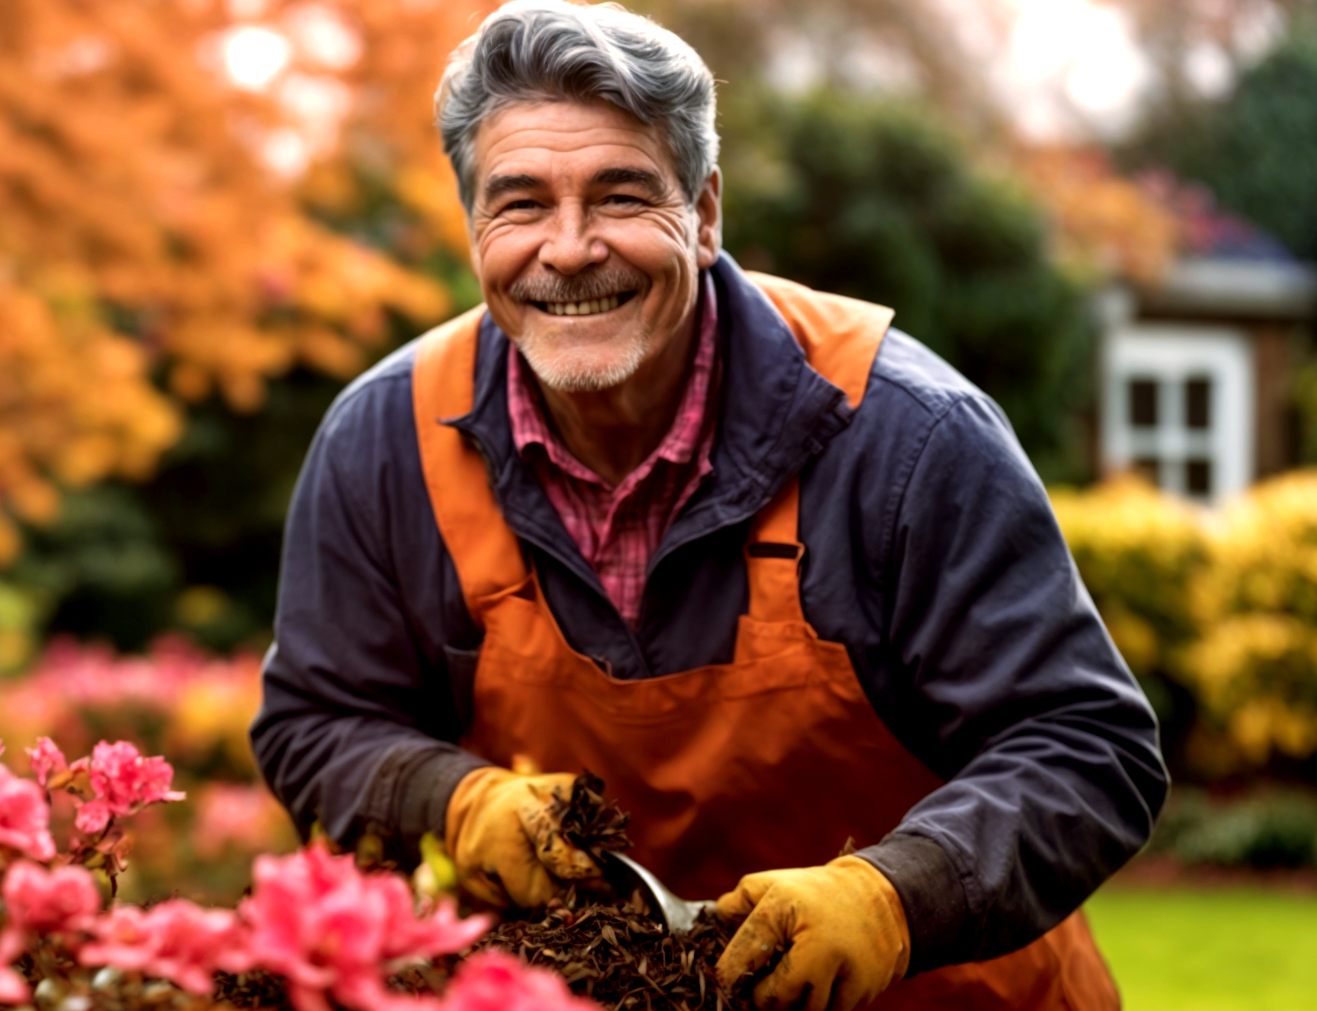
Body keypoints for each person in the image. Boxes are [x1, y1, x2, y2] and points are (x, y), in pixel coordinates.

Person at [250, 2, 1167, 1008]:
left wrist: (894, 899)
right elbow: (317, 719)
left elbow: (1086, 745)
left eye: (620, 196)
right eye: (520, 204)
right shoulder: (388, 439)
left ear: (707, 212)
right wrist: (456, 805)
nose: (568, 249)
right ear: (473, 224)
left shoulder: (907, 435)